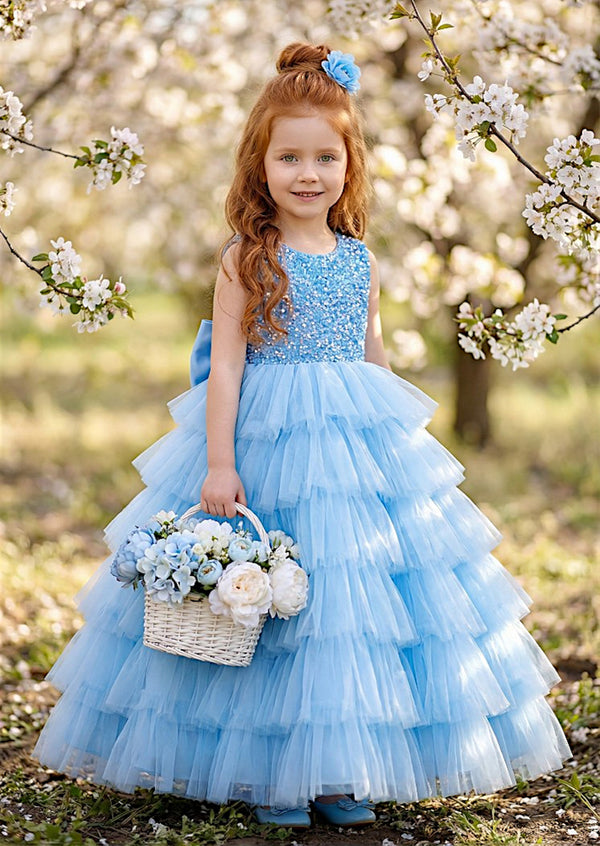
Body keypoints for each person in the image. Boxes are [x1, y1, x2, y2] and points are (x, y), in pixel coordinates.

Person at [32, 42, 571, 830]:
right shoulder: (247, 259)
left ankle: (339, 767)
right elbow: (224, 369)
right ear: (261, 166)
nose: (308, 174)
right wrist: (221, 463)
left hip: (352, 451)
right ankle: (269, 772)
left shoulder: (360, 261)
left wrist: (396, 452)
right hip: (267, 441)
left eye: (326, 157)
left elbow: (373, 358)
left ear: (350, 166)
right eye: (289, 157)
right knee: (264, 597)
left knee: (346, 608)